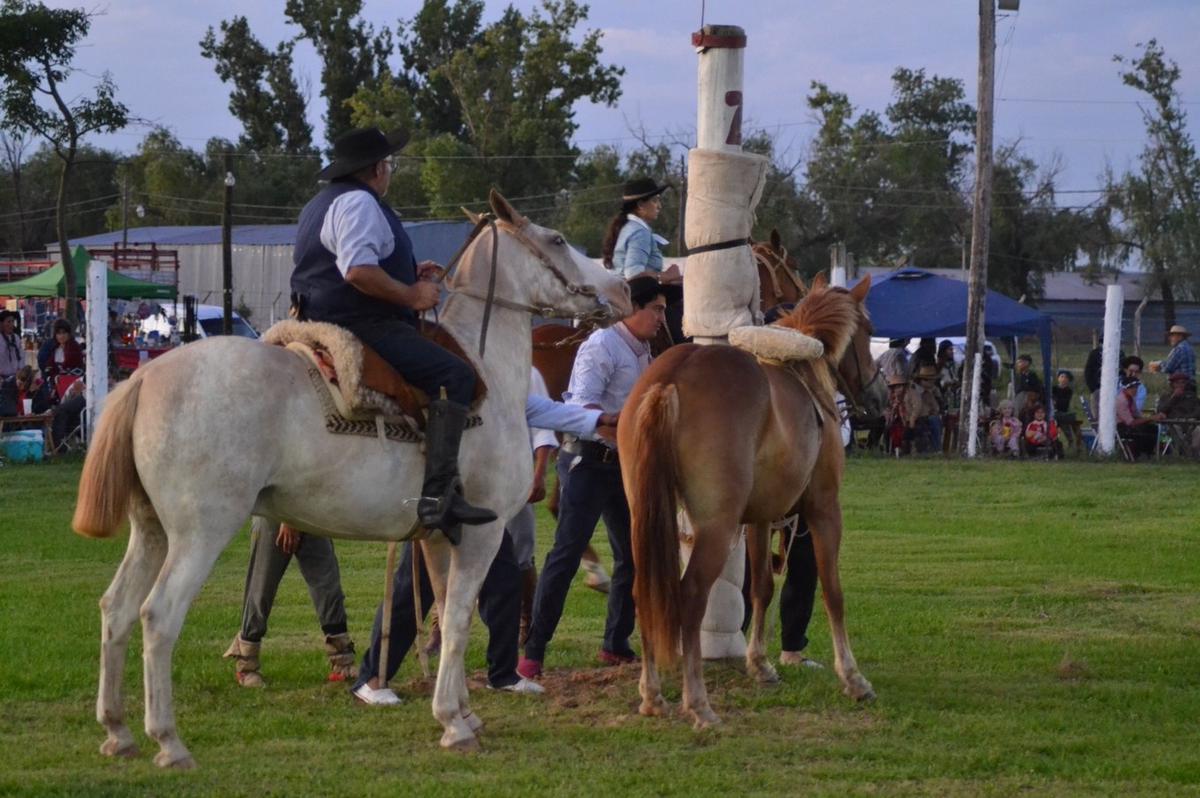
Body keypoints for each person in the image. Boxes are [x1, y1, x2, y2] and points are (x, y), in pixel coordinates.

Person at [289, 126, 495, 541]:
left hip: (319, 313)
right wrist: (411, 294)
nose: (390, 171)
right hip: (360, 321)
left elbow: (347, 264)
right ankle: (439, 496)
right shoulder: (361, 204)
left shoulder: (320, 203)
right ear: (378, 168)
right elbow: (358, 272)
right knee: (457, 376)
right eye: (389, 164)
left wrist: (408, 275)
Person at [350, 389, 619, 705]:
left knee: (504, 581)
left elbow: (542, 409)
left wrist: (600, 419)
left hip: (479, 500)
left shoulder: (504, 374)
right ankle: (371, 679)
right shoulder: (450, 374)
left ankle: (503, 674)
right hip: (441, 497)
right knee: (414, 589)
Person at [518, 275, 680, 680]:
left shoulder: (642, 349)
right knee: (567, 554)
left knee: (631, 555)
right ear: (632, 308)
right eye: (656, 309)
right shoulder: (601, 346)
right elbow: (583, 406)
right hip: (587, 463)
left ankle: (615, 644)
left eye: (663, 309)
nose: (662, 318)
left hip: (622, 463)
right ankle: (533, 651)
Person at [222, 518, 358, 688]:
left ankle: (342, 662)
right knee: (262, 589)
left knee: (328, 587)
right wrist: (288, 520)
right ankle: (246, 665)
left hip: (309, 512)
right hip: (274, 513)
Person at [602, 178, 679, 284]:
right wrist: (665, 276)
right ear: (641, 205)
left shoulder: (627, 228)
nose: (659, 206)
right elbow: (633, 274)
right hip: (632, 297)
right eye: (655, 200)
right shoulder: (639, 232)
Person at [1154, 372, 1200, 457]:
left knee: (1198, 430)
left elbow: (1198, 410)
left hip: (1191, 422)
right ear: (1172, 384)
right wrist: (1174, 397)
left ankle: (1194, 453)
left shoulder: (1192, 396)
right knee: (1175, 429)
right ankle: (1185, 453)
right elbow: (1160, 411)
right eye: (1177, 383)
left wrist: (1190, 418)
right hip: (1173, 423)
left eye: (1183, 382)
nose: (1180, 385)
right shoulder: (1166, 396)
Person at [37, 319, 84, 395]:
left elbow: (78, 370)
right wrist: (55, 378)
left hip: (73, 388)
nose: (61, 336)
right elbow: (49, 369)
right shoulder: (55, 348)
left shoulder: (75, 348)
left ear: (68, 334)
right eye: (58, 333)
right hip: (57, 387)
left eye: (64, 333)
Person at [1116, 376, 1157, 458]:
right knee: (1143, 431)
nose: (1135, 390)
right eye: (1132, 388)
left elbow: (1137, 415)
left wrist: (1150, 418)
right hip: (1120, 427)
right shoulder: (1121, 401)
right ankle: (1141, 454)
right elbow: (1131, 422)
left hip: (1128, 425)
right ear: (1126, 389)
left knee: (1153, 428)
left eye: (1136, 388)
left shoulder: (1130, 399)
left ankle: (1148, 453)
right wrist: (1150, 418)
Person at [1051, 370, 1081, 453]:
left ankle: (1072, 442)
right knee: (1058, 419)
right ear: (1058, 378)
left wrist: (1056, 401)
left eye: (1066, 377)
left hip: (1063, 412)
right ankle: (1067, 440)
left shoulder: (1069, 391)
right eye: (1062, 377)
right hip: (1055, 412)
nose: (1063, 379)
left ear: (1068, 380)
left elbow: (1064, 403)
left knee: (1063, 420)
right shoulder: (1053, 388)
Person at [1013, 354, 1043, 423]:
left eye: (1021, 362)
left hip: (1029, 397)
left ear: (1027, 363)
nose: (1019, 364)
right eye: (1019, 362)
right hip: (1019, 396)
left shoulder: (1032, 375)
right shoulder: (1017, 375)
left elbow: (1035, 388)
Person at [0, 310, 23, 381]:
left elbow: (21, 356)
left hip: (16, 377)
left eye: (13, 321)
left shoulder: (16, 338)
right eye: (8, 322)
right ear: (1, 323)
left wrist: (20, 369)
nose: (11, 324)